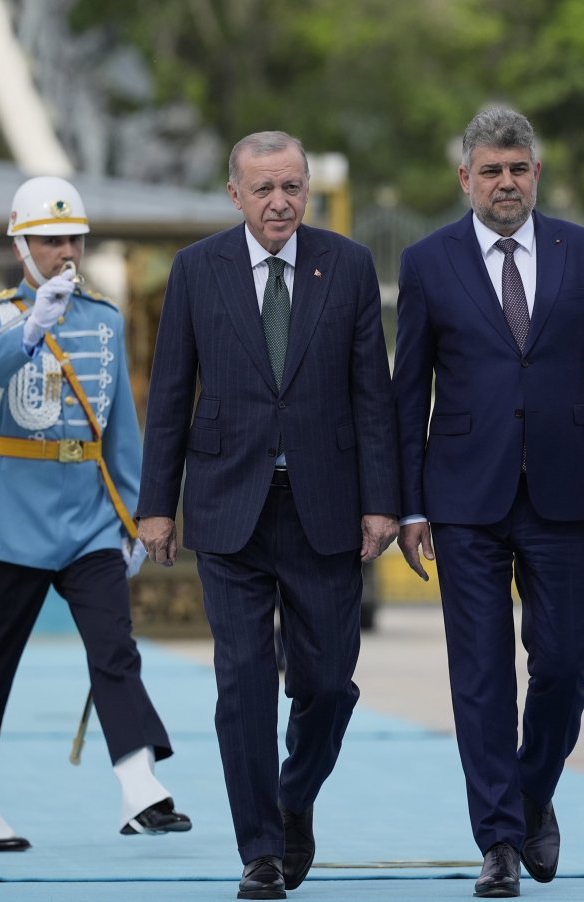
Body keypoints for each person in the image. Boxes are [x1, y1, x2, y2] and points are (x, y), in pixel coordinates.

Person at [136, 132, 400, 901]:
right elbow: (169, 396)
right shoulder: (196, 271)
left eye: (292, 186)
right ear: (235, 194)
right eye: (264, 189)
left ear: (307, 189)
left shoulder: (346, 265)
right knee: (244, 680)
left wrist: (382, 500)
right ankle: (260, 851)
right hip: (228, 509)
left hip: (327, 509)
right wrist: (157, 506)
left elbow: (371, 393)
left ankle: (293, 797)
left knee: (326, 684)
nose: (280, 202)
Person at [393, 107, 584, 899]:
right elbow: (408, 397)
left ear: (536, 173)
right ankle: (498, 840)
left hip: (568, 491)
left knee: (567, 664)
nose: (506, 182)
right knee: (481, 675)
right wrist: (408, 506)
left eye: (519, 168)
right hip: (464, 496)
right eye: (491, 170)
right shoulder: (429, 261)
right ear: (465, 177)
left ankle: (532, 793)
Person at [0, 177, 190, 850]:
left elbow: (120, 431)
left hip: (87, 521)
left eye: (73, 238)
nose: (65, 251)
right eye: (50, 240)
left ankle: (140, 786)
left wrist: (134, 517)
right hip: (13, 517)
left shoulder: (102, 318)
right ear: (21, 246)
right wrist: (32, 324)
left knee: (115, 650)